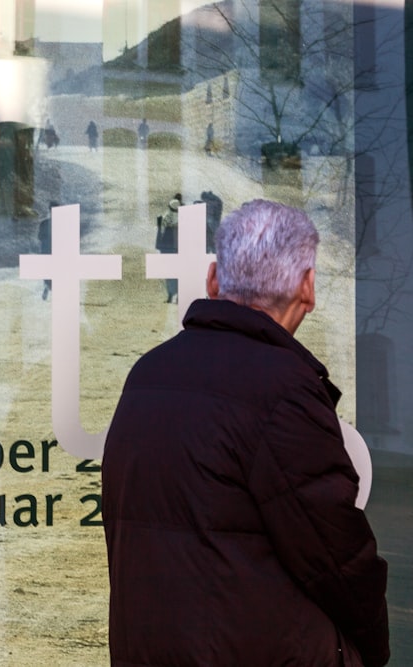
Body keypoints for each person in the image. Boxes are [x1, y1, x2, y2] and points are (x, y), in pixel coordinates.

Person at [102, 200, 390, 666]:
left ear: (215, 279)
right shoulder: (283, 390)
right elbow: (338, 558)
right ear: (308, 288)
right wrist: (373, 651)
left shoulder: (147, 375)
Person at [154, 195, 181, 303]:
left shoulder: (165, 217)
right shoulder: (182, 218)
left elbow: (161, 232)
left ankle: (170, 295)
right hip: (177, 248)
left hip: (166, 248)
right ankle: (179, 295)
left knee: (169, 273)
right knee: (178, 273)